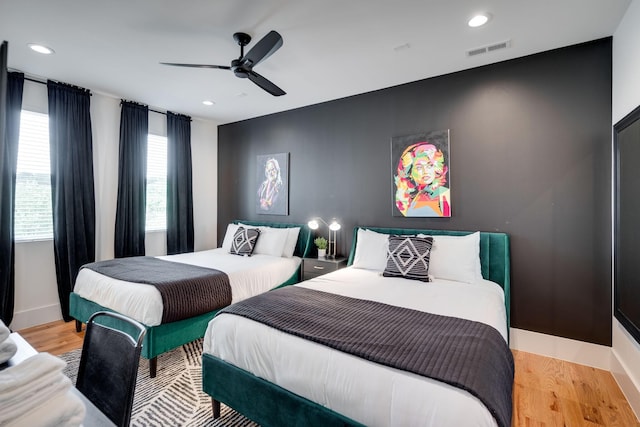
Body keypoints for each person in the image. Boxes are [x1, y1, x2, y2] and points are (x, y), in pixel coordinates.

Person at [394, 142, 450, 217]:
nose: (425, 171)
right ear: (410, 173)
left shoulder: (443, 193)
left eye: (429, 166)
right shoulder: (407, 199)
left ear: (436, 168)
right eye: (419, 167)